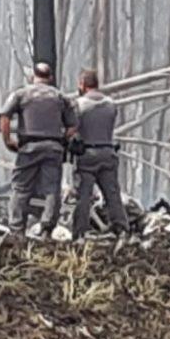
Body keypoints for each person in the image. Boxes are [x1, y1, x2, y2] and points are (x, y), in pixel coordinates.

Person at [0, 62, 77, 236]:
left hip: (28, 147)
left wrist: (8, 140)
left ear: (33, 76)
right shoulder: (60, 97)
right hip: (53, 148)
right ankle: (47, 228)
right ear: (50, 78)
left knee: (21, 187)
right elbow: (72, 127)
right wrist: (61, 141)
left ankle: (17, 230)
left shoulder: (21, 94)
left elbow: (4, 117)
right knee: (51, 189)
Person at [68, 69, 130, 240]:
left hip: (87, 154)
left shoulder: (78, 105)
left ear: (82, 84)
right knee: (112, 194)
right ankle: (122, 228)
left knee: (83, 197)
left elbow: (72, 129)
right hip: (108, 152)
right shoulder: (111, 104)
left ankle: (80, 233)